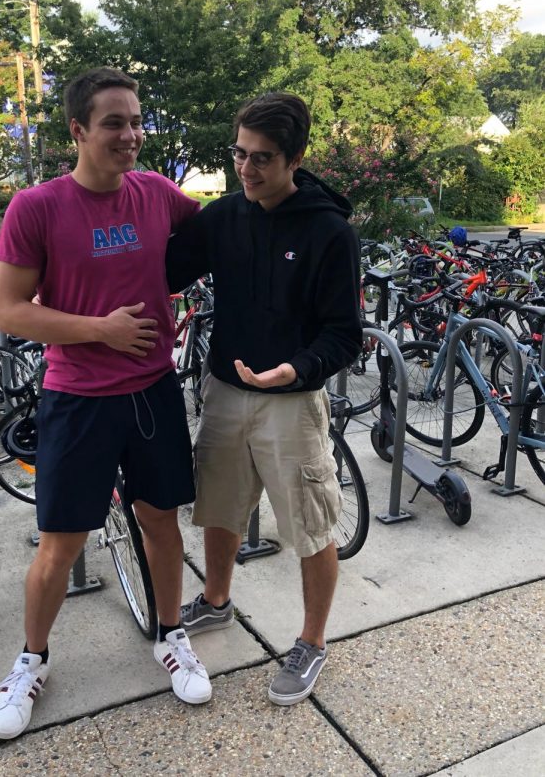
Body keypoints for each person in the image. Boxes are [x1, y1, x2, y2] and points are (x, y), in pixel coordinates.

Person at [0, 67, 212, 741]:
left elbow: (221, 232)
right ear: (78, 130)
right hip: (76, 398)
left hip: (151, 393)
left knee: (161, 521)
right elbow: (8, 311)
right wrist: (99, 330)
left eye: (136, 121)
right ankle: (31, 661)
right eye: (114, 122)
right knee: (60, 544)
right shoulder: (38, 207)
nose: (131, 135)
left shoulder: (156, 194)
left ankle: (171, 636)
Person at [166, 91, 362, 706]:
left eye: (262, 158)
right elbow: (164, 270)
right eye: (239, 154)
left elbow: (344, 334)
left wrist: (296, 369)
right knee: (220, 508)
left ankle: (311, 642)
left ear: (295, 158)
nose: (246, 170)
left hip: (291, 401)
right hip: (225, 388)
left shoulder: (330, 231)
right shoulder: (226, 216)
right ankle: (218, 601)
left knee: (309, 524)